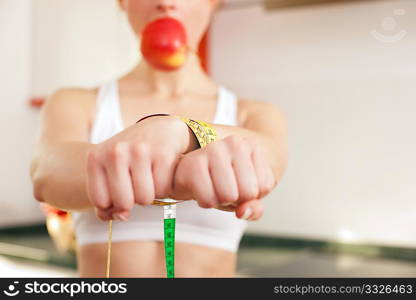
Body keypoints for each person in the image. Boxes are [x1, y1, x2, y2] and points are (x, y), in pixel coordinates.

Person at [30, 0, 288, 278]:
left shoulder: (255, 113)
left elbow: (267, 160)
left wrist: (181, 132)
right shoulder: (76, 102)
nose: (166, 3)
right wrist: (177, 177)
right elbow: (48, 176)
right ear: (123, 3)